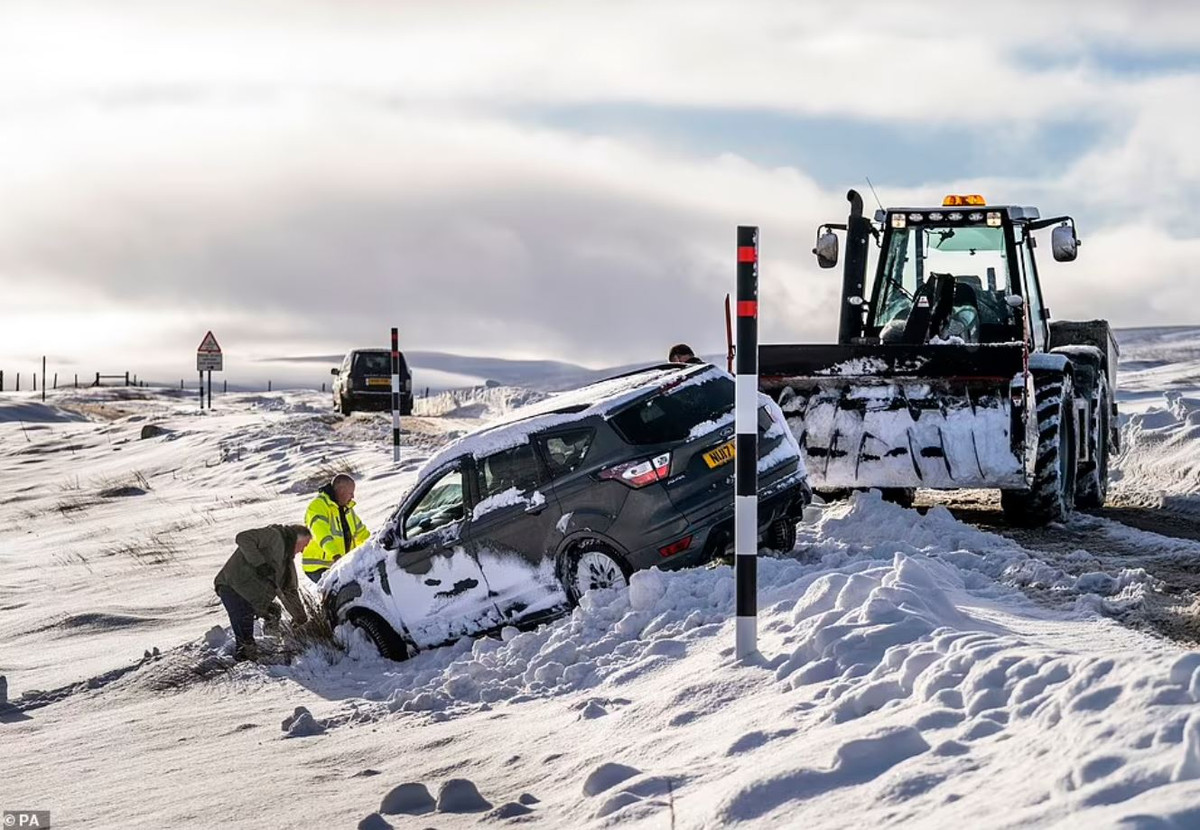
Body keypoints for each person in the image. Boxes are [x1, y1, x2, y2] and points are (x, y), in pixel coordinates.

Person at [214, 524, 311, 660]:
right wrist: (260, 564)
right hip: (232, 588)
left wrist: (301, 619)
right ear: (297, 539)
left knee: (273, 612)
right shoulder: (274, 536)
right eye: (304, 545)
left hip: (251, 597)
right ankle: (243, 666)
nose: (302, 551)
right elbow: (243, 538)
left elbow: (290, 591)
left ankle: (270, 642)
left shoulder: (287, 564)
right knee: (245, 639)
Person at [301, 473, 370, 583]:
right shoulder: (318, 506)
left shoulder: (346, 509)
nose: (353, 497)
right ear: (341, 491)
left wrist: (375, 546)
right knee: (341, 592)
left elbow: (361, 532)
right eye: (350, 493)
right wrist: (335, 555)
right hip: (319, 566)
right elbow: (322, 534)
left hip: (340, 563)